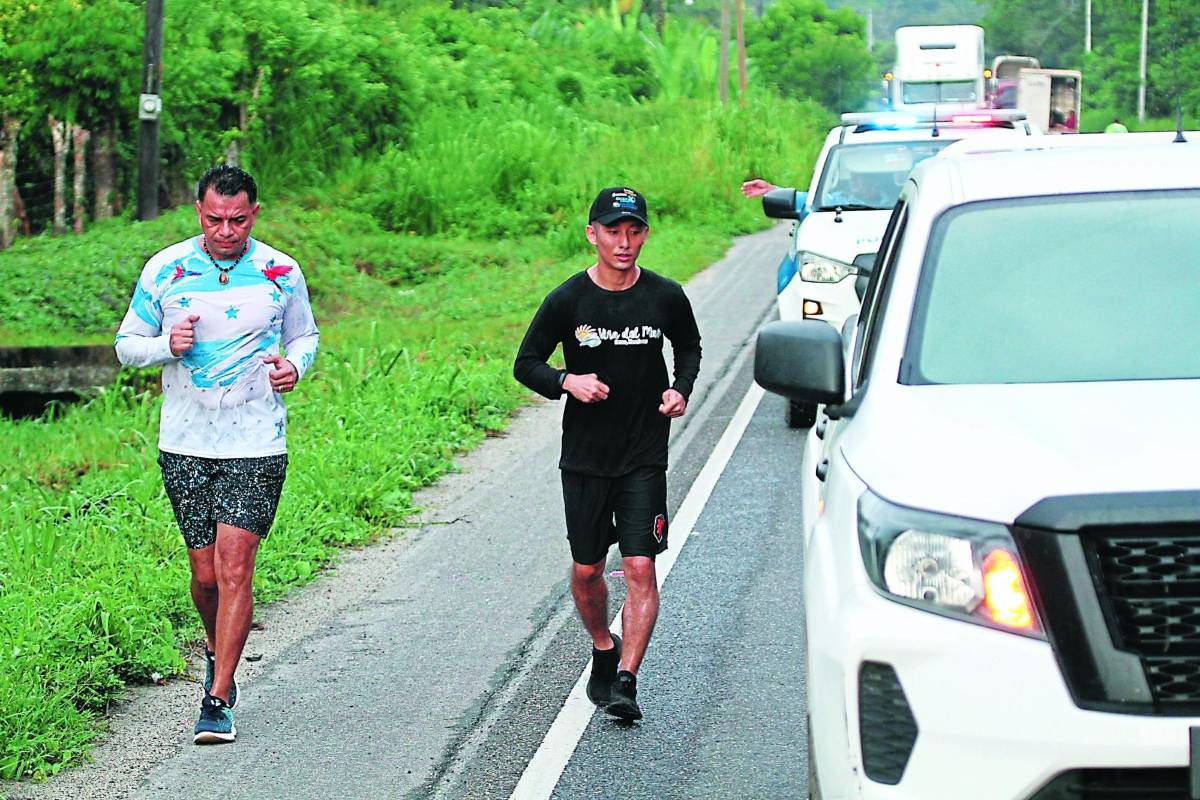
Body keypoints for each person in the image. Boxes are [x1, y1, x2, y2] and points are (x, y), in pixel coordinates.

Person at [114, 165, 319, 744]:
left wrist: (293, 366)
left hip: (257, 440)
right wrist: (165, 346)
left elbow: (305, 336)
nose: (226, 230)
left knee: (235, 566)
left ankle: (219, 695)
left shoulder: (282, 271)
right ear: (197, 213)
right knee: (204, 574)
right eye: (214, 219)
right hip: (185, 440)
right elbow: (126, 346)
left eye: (237, 219)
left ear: (254, 213)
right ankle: (215, 646)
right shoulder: (166, 269)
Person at [513, 187, 701, 722]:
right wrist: (568, 380)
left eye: (634, 230)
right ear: (592, 233)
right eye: (614, 231)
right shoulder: (568, 301)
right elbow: (526, 363)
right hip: (587, 458)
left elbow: (688, 346)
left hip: (644, 453)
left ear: (644, 233)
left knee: (640, 564)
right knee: (588, 569)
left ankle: (626, 680)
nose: (625, 242)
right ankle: (602, 646)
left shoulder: (665, 296)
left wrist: (680, 389)